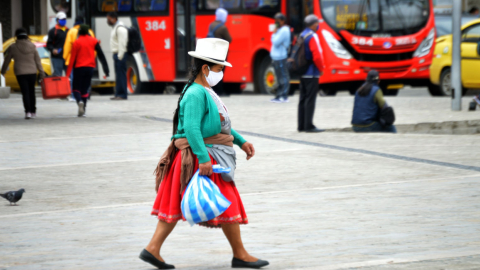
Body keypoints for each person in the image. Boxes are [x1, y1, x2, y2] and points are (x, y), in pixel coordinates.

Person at [140, 38, 269, 269]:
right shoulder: (196, 94)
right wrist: (204, 159)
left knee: (178, 205)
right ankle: (240, 255)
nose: (222, 74)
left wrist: (241, 141)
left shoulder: (205, 90)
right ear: (205, 68)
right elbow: (191, 129)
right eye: (220, 69)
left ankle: (152, 249)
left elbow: (220, 125)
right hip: (200, 158)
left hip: (206, 155)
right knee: (227, 202)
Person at [1, 28, 45, 119]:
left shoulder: (12, 47)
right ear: (26, 35)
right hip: (32, 72)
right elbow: (38, 61)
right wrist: (42, 73)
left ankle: (27, 112)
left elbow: (7, 60)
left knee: (25, 92)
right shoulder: (33, 46)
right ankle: (33, 112)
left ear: (16, 36)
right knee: (31, 92)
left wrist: (3, 71)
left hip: (20, 73)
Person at [66, 25, 109, 117]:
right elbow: (101, 55)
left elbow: (72, 59)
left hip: (79, 68)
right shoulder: (94, 41)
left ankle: (79, 101)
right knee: (85, 89)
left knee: (76, 89)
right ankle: (83, 110)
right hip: (90, 68)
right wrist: (106, 69)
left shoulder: (77, 42)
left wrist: (67, 74)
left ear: (79, 33)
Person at [297, 14, 325, 133]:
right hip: (312, 72)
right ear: (313, 24)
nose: (318, 25)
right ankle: (309, 125)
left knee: (303, 98)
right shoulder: (313, 36)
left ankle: (301, 125)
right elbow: (317, 56)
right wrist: (321, 68)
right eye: (317, 23)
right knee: (310, 99)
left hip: (302, 71)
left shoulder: (302, 35)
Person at [64, 16, 96, 102]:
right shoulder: (90, 31)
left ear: (75, 22)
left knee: (75, 79)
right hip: (88, 60)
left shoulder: (71, 31)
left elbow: (67, 46)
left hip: (75, 60)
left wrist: (65, 57)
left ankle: (75, 97)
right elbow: (94, 45)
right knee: (87, 80)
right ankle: (86, 95)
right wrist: (93, 56)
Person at [208, 8, 232, 96]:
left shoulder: (211, 25)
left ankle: (213, 90)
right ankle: (220, 92)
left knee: (214, 71)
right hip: (221, 53)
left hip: (212, 52)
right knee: (220, 72)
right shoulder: (223, 27)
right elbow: (229, 39)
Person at [107, 12, 129, 100]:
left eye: (108, 19)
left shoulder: (120, 28)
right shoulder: (115, 27)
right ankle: (118, 94)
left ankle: (122, 94)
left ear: (114, 18)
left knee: (121, 75)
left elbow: (122, 43)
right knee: (118, 75)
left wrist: (120, 56)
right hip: (116, 54)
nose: (107, 21)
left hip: (120, 55)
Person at [270, 13, 291, 103]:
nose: (276, 22)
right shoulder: (280, 30)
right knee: (279, 77)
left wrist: (274, 34)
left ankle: (284, 95)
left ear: (283, 21)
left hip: (281, 57)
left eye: (278, 20)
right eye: (275, 20)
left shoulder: (284, 30)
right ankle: (279, 95)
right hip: (276, 57)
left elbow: (276, 42)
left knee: (283, 76)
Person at [47, 12, 69, 78]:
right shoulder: (53, 31)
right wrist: (53, 50)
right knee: (58, 76)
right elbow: (49, 44)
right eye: (62, 19)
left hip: (67, 57)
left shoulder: (68, 30)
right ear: (57, 20)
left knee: (70, 76)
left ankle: (70, 88)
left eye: (64, 19)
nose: (63, 21)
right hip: (57, 58)